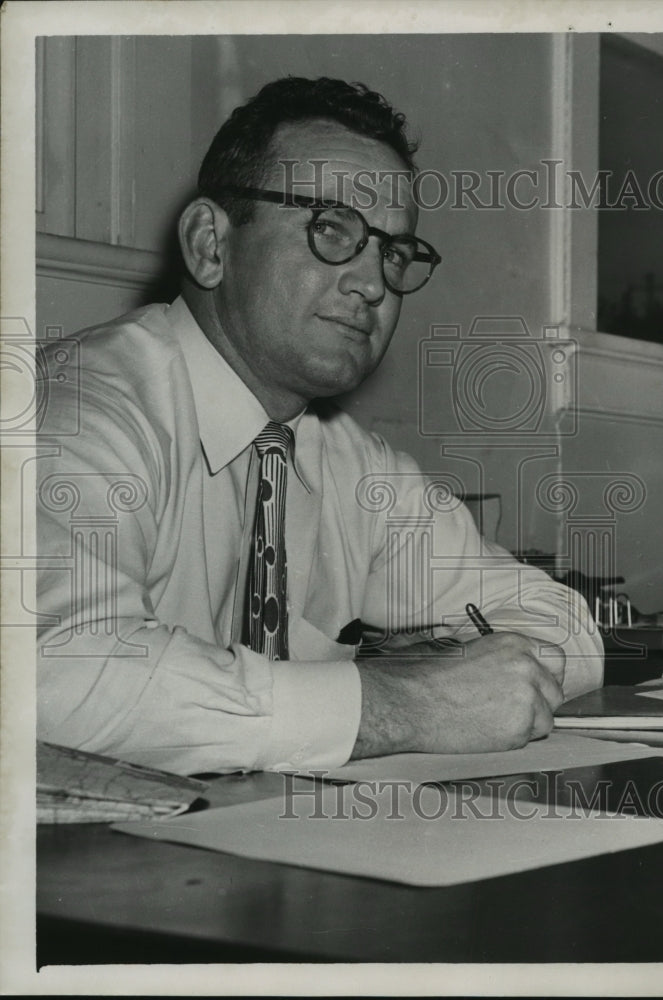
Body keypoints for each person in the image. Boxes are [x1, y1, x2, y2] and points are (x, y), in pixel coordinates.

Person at [36, 77, 603, 776]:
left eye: (393, 253)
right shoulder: (79, 407)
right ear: (210, 243)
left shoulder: (344, 458)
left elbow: (567, 628)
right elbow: (49, 674)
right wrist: (402, 703)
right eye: (331, 229)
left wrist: (478, 678)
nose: (372, 284)